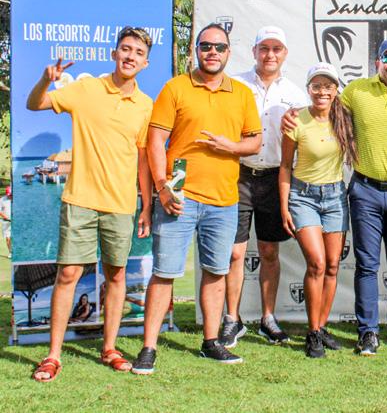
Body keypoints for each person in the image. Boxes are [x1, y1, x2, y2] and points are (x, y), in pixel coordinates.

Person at [283, 38, 387, 355]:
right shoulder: (357, 91)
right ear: (377, 62)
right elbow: (323, 103)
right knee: (366, 265)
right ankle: (367, 332)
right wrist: (291, 113)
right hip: (364, 191)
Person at [131, 23, 262, 375]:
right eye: (206, 46)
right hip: (178, 197)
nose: (212, 52)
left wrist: (231, 146)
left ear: (228, 52)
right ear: (196, 50)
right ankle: (148, 348)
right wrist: (162, 186)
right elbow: (155, 142)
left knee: (216, 273)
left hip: (224, 199)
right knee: (164, 273)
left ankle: (211, 342)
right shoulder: (176, 87)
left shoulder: (242, 94)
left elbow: (255, 142)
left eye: (219, 47)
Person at [27, 27, 154, 382]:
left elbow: (144, 161)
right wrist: (45, 79)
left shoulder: (146, 106)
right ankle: (53, 355)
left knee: (116, 275)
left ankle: (109, 348)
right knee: (68, 274)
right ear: (114, 54)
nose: (130, 56)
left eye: (138, 52)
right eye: (125, 49)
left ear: (145, 63)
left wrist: (146, 206)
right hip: (80, 198)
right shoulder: (85, 89)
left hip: (121, 203)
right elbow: (35, 104)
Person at [221, 26, 309, 348]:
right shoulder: (235, 85)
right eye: (264, 48)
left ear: (285, 54)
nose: (270, 54)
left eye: (276, 49)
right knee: (235, 253)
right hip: (239, 175)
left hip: (275, 178)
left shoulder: (297, 94)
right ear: (254, 51)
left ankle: (268, 318)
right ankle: (232, 319)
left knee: (270, 251)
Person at [278, 62, 356, 358]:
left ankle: (321, 327)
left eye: (328, 86)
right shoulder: (295, 120)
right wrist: (284, 205)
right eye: (317, 86)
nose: (322, 91)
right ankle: (312, 332)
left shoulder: (345, 118)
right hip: (303, 198)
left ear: (336, 90)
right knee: (317, 264)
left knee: (333, 265)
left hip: (335, 197)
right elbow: (285, 166)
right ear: (308, 89)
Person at [0, 185, 10, 256]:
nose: (9, 196)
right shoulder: (2, 200)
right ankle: (10, 252)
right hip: (6, 222)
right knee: (8, 237)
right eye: (8, 195)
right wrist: (5, 217)